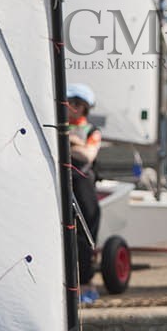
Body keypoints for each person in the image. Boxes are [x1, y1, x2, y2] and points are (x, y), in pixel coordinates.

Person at [66, 83, 103, 304]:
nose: (66, 106)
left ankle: (88, 285)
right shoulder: (59, 127)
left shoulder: (91, 131)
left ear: (81, 107)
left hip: (83, 188)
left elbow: (88, 154)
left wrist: (70, 142)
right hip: (64, 187)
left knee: (85, 237)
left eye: (70, 103)